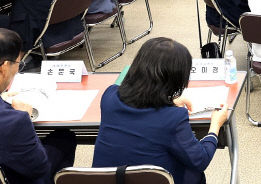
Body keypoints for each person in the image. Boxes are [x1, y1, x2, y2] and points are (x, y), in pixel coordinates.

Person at [92, 37, 229, 184]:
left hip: (108, 180)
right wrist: (215, 126)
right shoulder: (174, 118)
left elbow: (141, 107)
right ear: (176, 80)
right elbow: (200, 160)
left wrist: (167, 100)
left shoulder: (109, 96)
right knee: (194, 173)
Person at [0, 28, 77, 184]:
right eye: (18, 64)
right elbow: (39, 168)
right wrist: (25, 117)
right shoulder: (14, 120)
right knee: (64, 139)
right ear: (4, 67)